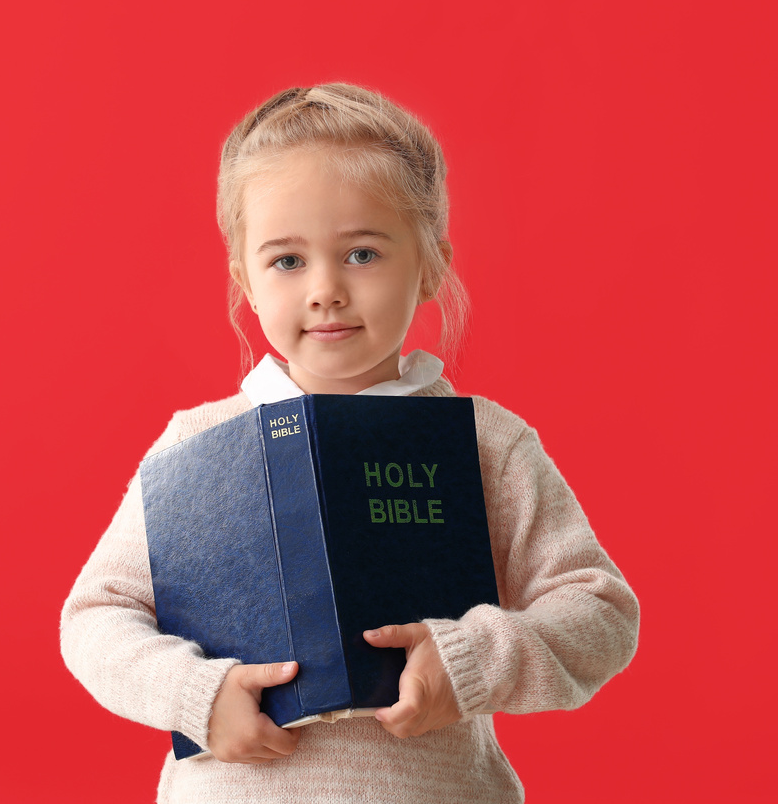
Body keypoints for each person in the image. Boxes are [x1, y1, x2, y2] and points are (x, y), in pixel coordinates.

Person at [60, 83, 639, 803]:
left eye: (362, 253)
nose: (326, 289)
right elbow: (95, 618)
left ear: (429, 264)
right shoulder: (194, 444)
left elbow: (599, 612)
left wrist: (466, 662)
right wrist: (194, 693)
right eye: (287, 261)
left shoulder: (484, 441)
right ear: (243, 277)